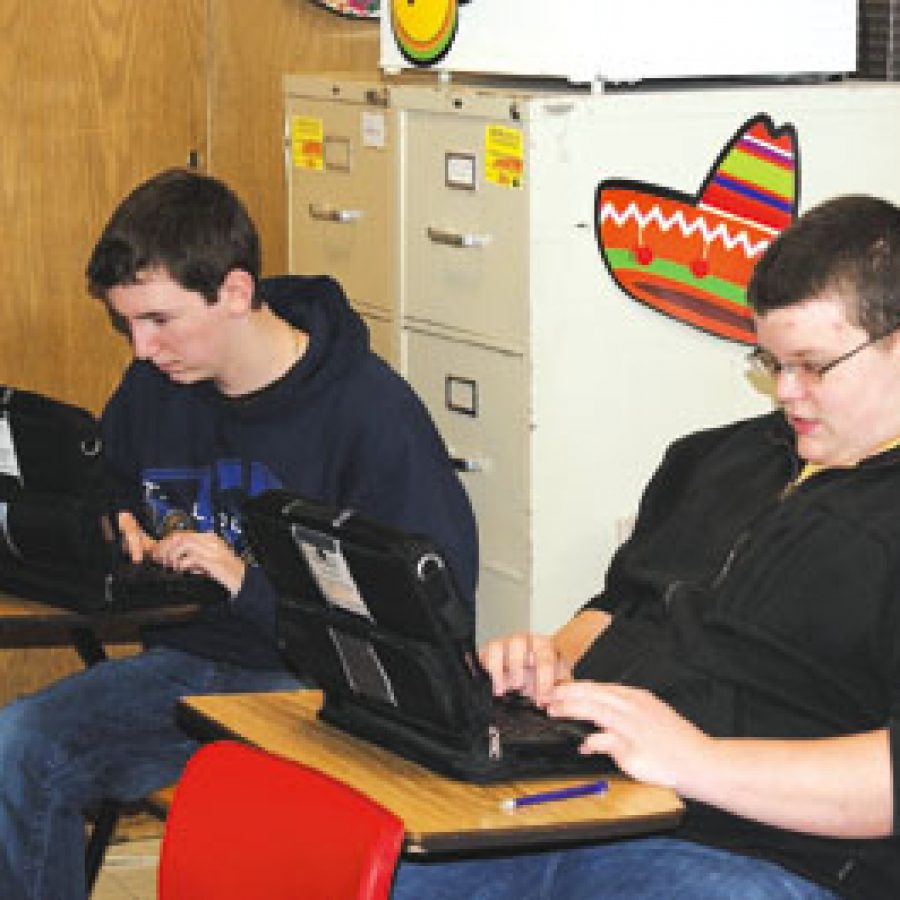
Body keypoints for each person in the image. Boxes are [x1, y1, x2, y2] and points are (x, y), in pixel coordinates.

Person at [391, 193, 900, 900]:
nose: (786, 392)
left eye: (813, 366)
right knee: (362, 871)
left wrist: (698, 761)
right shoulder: (717, 459)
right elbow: (619, 605)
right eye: (770, 362)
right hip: (588, 804)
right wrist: (550, 658)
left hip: (764, 855)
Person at [0, 168, 478, 900]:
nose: (140, 348)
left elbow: (428, 622)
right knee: (19, 744)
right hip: (188, 671)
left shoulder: (369, 412)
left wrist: (245, 584)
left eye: (159, 320)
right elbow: (110, 482)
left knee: (267, 827)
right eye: (126, 324)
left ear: (234, 292)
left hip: (314, 693)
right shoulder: (156, 387)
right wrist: (111, 523)